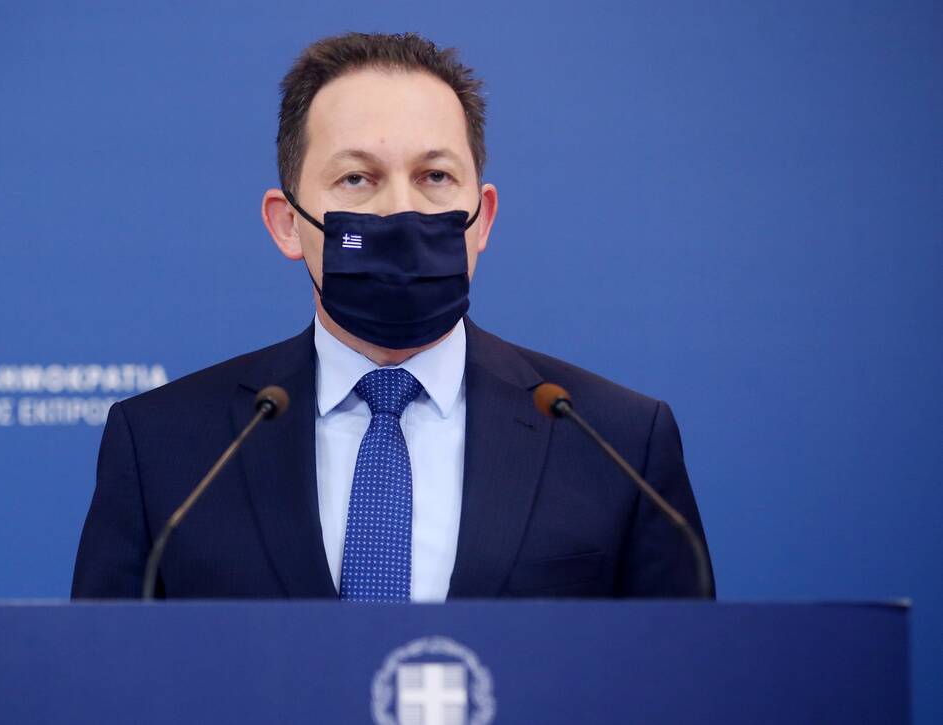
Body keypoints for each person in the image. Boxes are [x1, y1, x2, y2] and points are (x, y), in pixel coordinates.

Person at [71, 32, 713, 601]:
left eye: (435, 176)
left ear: (482, 219)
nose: (401, 212)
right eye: (357, 179)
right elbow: (105, 674)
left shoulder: (619, 442)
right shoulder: (163, 446)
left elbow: (678, 674)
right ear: (287, 223)